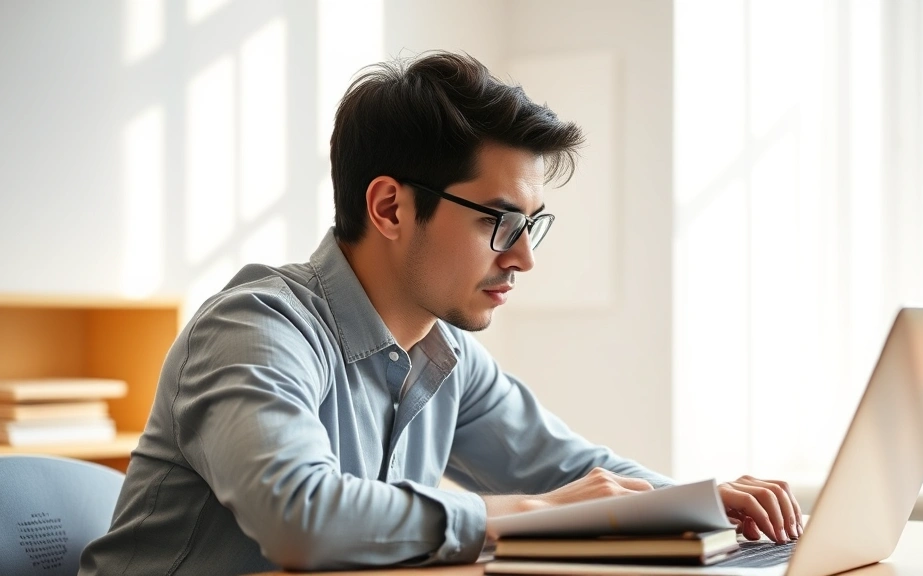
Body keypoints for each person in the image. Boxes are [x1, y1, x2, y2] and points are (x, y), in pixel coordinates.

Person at [79, 51, 802, 575]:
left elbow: (574, 471)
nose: (523, 259)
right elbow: (299, 518)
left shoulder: (445, 359)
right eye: (498, 221)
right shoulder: (255, 328)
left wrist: (702, 502)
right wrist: (534, 517)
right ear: (391, 206)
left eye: (532, 225)